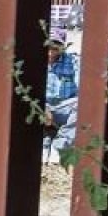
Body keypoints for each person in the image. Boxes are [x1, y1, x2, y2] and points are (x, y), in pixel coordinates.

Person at [44, 28, 80, 161]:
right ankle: (44, 145)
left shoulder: (73, 61)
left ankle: (59, 148)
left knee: (82, 105)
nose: (51, 50)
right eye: (49, 45)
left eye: (55, 46)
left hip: (65, 106)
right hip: (43, 106)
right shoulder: (35, 60)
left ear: (62, 47)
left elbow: (82, 88)